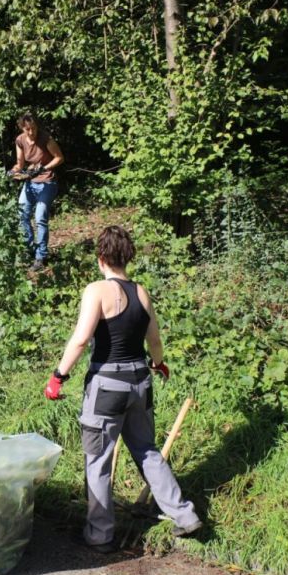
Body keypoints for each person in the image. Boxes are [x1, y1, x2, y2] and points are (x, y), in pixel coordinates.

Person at [44, 225, 202, 552]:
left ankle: (100, 535)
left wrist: (58, 376)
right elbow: (154, 340)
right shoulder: (141, 292)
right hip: (140, 381)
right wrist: (158, 363)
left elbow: (81, 338)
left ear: (101, 257)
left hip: (107, 386)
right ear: (127, 257)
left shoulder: (97, 290)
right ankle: (185, 516)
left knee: (98, 460)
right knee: (146, 450)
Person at [9, 112, 64, 271]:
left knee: (40, 217)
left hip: (47, 182)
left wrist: (42, 168)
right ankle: (29, 249)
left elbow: (59, 158)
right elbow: (19, 164)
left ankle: (41, 256)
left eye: (33, 128)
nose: (31, 132)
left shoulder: (45, 138)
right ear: (22, 129)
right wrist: (13, 172)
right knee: (22, 215)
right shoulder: (20, 140)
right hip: (30, 183)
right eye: (27, 129)